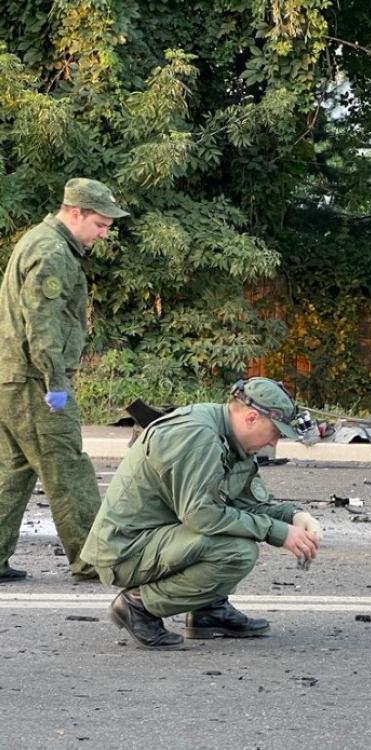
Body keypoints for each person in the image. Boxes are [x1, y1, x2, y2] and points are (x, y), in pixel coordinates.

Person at [81, 377, 324, 650]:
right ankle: (138, 606)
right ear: (252, 418)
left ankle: (208, 610)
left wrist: (295, 517)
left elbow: (245, 505)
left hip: (157, 539)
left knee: (233, 534)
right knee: (236, 551)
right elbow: (201, 515)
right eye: (275, 432)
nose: (274, 442)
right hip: (125, 550)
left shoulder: (231, 439)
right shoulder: (199, 436)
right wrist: (277, 532)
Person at [0, 178, 129, 583]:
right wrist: (55, 381)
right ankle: (94, 560)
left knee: (14, 471)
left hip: (13, 378)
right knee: (67, 468)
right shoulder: (53, 251)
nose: (103, 234)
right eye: (101, 224)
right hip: (36, 382)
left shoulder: (39, 241)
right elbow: (43, 324)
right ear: (76, 213)